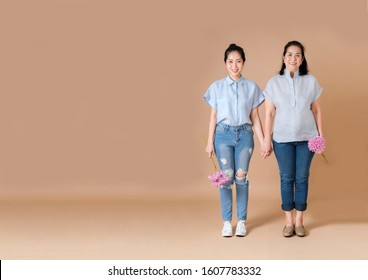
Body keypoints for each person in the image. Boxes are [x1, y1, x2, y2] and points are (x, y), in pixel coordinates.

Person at [262, 40, 324, 237]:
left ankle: (299, 221)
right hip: (282, 139)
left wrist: (321, 136)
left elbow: (316, 110)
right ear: (283, 57)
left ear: (302, 59)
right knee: (287, 178)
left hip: (308, 138)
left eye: (297, 55)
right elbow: (269, 114)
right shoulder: (274, 83)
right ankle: (288, 221)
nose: (293, 58)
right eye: (289, 54)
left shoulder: (311, 81)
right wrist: (266, 139)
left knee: (302, 177)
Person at [204, 43, 265, 237]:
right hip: (223, 135)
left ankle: (242, 221)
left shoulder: (252, 87)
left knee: (241, 178)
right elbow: (213, 116)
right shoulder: (217, 87)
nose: (234, 65)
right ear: (225, 64)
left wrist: (264, 141)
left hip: (245, 135)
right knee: (225, 180)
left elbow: (255, 116)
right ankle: (226, 222)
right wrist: (209, 141)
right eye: (230, 61)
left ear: (244, 63)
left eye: (238, 61)